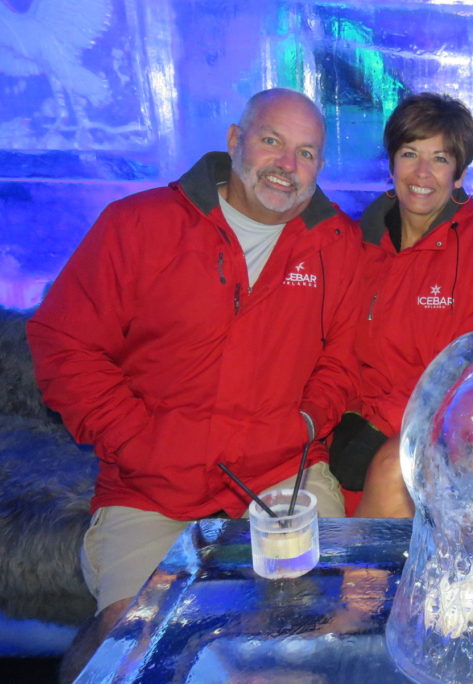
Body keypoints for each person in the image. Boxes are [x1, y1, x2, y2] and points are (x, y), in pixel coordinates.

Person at [27, 88, 362, 682]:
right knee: (129, 648)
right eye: (271, 141)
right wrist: (137, 440)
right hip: (152, 485)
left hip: (282, 476)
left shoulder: (335, 242)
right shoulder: (140, 225)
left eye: (306, 152)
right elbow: (65, 344)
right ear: (234, 141)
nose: (287, 165)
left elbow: (344, 357)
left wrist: (304, 424)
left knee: (310, 644)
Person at [329, 92, 473, 517]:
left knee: (391, 470)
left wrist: (381, 424)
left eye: (439, 158)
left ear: (459, 174)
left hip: (443, 422)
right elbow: (336, 345)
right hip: (354, 420)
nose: (421, 173)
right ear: (391, 163)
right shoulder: (358, 241)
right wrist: (335, 418)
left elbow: (472, 369)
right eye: (410, 154)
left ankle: (366, 584)